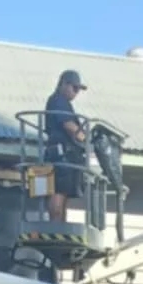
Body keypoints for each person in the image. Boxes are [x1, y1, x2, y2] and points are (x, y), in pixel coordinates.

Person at [43, 69, 90, 221]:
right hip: (59, 155)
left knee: (63, 194)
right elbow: (68, 124)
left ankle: (59, 225)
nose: (76, 92)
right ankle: (56, 225)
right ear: (64, 84)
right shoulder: (59, 100)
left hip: (62, 155)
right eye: (74, 88)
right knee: (58, 190)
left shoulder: (63, 102)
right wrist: (85, 138)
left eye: (78, 89)